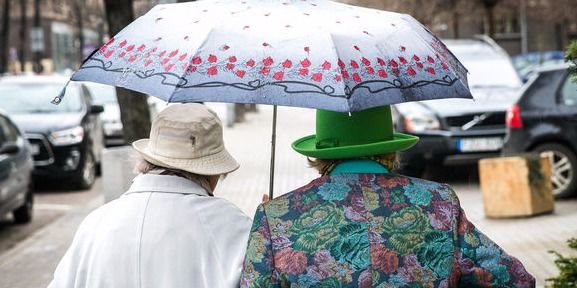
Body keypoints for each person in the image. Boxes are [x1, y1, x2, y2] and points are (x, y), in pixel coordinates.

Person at [240, 106, 535, 287]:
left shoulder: (277, 216)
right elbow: (515, 280)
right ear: (389, 148)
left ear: (320, 154)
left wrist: (272, 224)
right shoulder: (439, 203)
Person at [49, 103, 252, 288]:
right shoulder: (233, 226)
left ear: (147, 159)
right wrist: (269, 236)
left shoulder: (94, 225)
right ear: (212, 172)